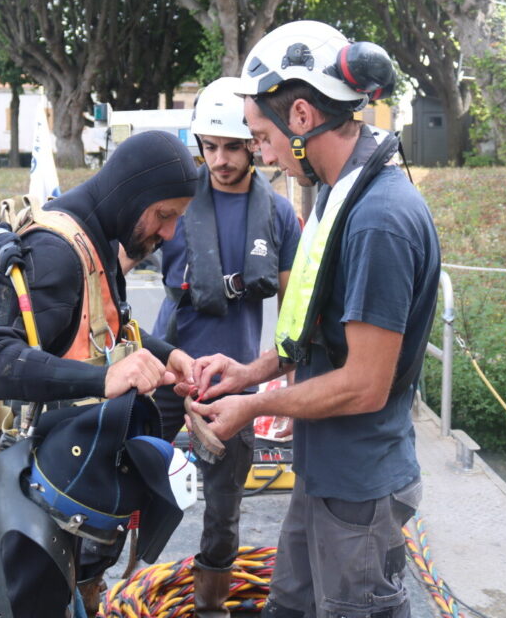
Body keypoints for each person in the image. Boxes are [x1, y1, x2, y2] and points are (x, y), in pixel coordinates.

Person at [188, 21, 442, 618]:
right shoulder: (336, 193)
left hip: (360, 490)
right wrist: (249, 373)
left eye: (260, 135)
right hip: (324, 473)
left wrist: (251, 408)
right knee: (290, 606)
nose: (261, 154)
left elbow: (364, 383)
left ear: (301, 116)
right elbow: (316, 328)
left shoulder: (378, 218)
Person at [0, 130, 199, 618]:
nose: (170, 232)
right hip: (32, 500)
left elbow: (97, 332)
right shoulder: (56, 253)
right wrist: (101, 381)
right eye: (164, 215)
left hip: (72, 487)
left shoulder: (94, 240)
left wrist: (167, 355)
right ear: (134, 196)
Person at [149, 77, 301, 617]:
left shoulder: (280, 216)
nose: (220, 160)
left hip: (234, 383)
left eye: (233, 146)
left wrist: (281, 379)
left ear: (255, 145)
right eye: (209, 147)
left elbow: (296, 313)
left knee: (223, 509)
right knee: (123, 477)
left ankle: (211, 607)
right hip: (166, 372)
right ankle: (102, 585)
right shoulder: (173, 204)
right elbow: (114, 264)